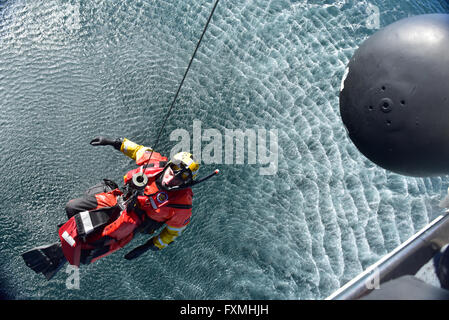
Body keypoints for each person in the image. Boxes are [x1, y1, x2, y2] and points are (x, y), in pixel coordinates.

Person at [63, 136, 200, 264]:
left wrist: (148, 246)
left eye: (177, 180)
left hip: (132, 223)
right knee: (72, 207)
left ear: (185, 183)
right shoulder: (155, 161)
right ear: (168, 165)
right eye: (171, 173)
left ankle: (82, 247)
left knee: (87, 254)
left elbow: (172, 232)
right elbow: (136, 150)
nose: (170, 180)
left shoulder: (182, 206)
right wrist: (113, 142)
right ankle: (78, 232)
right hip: (119, 199)